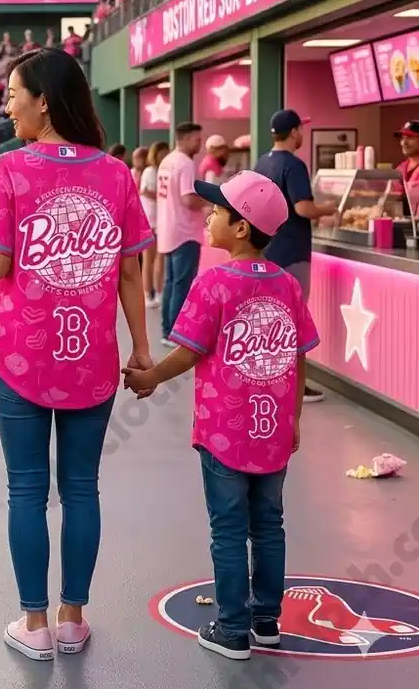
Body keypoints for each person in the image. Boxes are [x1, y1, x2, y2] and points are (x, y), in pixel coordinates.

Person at [0, 49, 153, 662]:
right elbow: (131, 271)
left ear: (42, 99)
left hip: (20, 358)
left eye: (13, 94)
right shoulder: (115, 175)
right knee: (82, 488)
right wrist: (141, 347)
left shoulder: (9, 170)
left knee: (27, 490)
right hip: (93, 357)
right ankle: (73, 618)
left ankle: (32, 624)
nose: (7, 105)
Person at [124, 171, 317, 661]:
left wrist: (149, 379)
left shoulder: (213, 283)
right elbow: (299, 356)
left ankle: (231, 628)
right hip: (272, 427)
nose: (208, 216)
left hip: (223, 432)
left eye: (218, 211)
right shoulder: (289, 287)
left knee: (229, 527)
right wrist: (293, 418)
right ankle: (265, 619)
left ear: (241, 228)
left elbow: (189, 351)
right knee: (269, 523)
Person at [254, 110, 336, 404]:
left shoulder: (262, 162)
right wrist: (329, 209)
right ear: (294, 132)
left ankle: (267, 378)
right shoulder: (294, 165)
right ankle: (294, 385)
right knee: (292, 319)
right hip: (292, 252)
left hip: (267, 249)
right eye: (300, 129)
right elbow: (303, 208)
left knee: (272, 319)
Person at [156, 122, 205, 346]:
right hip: (185, 232)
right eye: (197, 139)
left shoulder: (167, 161)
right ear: (184, 139)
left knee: (171, 282)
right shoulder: (185, 163)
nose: (200, 144)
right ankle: (176, 332)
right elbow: (188, 199)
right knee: (182, 284)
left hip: (168, 229)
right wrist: (211, 200)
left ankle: (167, 330)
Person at [140, 140, 169, 309]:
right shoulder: (150, 171)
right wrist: (164, 196)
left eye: (166, 153)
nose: (164, 156)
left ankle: (158, 293)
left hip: (162, 219)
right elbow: (145, 191)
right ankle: (146, 294)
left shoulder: (163, 171)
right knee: (148, 259)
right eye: (161, 153)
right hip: (150, 219)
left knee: (160, 258)